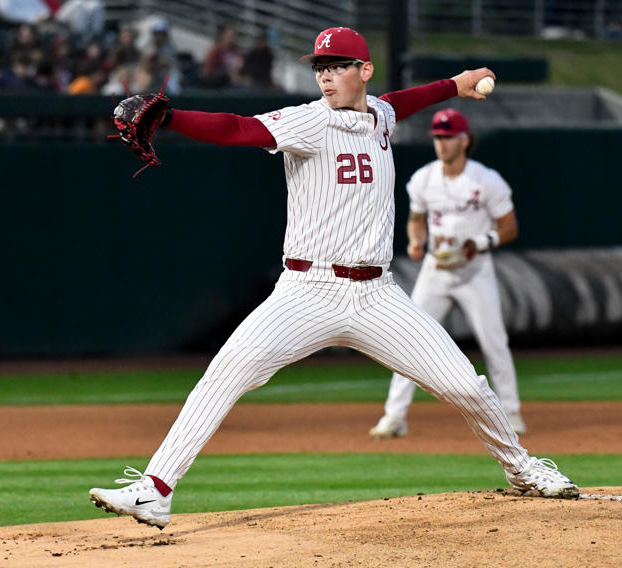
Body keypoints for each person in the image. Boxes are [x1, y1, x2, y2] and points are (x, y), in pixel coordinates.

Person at [89, 26, 578, 530]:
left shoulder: (380, 115)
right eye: (320, 68)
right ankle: (155, 490)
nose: (326, 76)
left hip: (375, 295)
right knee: (227, 370)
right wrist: (171, 117)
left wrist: (456, 83)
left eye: (338, 66)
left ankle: (523, 469)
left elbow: (401, 101)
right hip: (306, 291)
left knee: (467, 387)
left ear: (363, 70)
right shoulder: (307, 122)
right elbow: (237, 128)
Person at [369, 108, 527, 441]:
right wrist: (415, 240)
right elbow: (416, 217)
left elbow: (509, 227)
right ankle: (394, 416)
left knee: (494, 341)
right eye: (438, 137)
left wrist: (481, 242)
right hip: (436, 269)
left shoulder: (486, 180)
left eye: (448, 137)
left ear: (464, 140)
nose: (441, 143)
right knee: (409, 339)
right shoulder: (424, 178)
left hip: (475, 269)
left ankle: (511, 412)